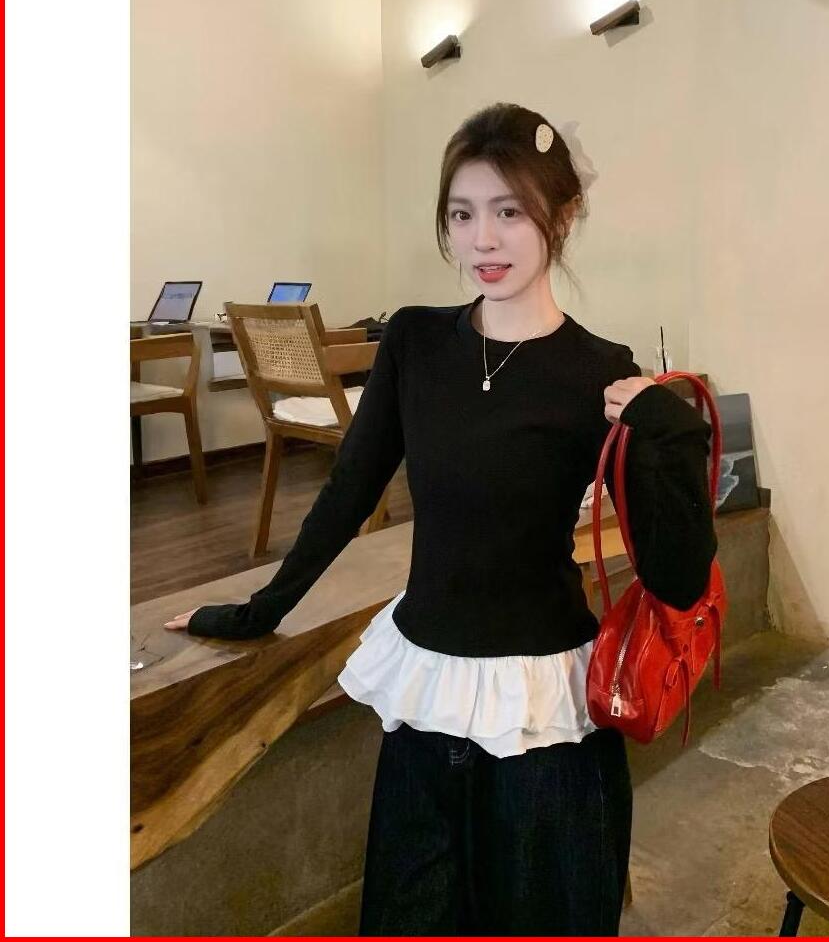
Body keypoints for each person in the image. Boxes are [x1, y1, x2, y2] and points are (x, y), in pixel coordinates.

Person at [165, 102, 717, 936]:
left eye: (510, 212)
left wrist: (672, 433)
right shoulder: (415, 342)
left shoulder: (601, 371)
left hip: (545, 722)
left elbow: (676, 579)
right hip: (425, 708)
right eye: (462, 215)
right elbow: (349, 492)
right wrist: (255, 610)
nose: (482, 240)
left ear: (563, 217)